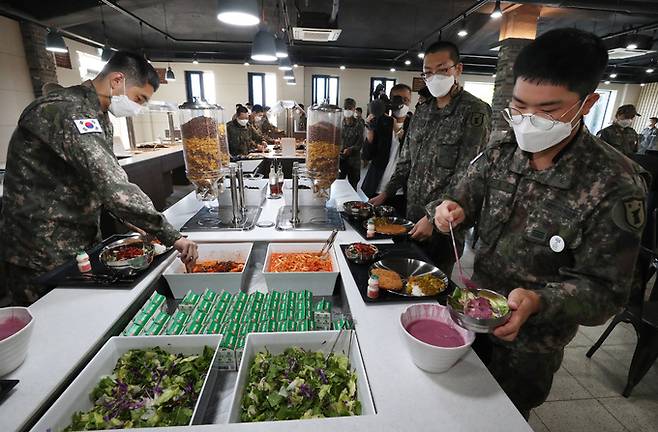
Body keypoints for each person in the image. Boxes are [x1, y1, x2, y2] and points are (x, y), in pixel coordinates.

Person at [433, 28, 647, 418]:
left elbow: (607, 292)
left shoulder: (615, 183)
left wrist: (538, 301)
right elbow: (466, 193)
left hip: (531, 345)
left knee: (505, 417)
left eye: (548, 111)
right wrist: (452, 208)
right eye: (518, 106)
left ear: (587, 103)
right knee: (454, 411)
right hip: (473, 312)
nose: (528, 121)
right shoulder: (502, 148)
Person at [0, 51, 198, 306]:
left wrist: (138, 222)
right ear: (117, 80)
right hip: (40, 247)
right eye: (139, 98)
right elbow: (113, 185)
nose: (138, 108)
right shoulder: (70, 111)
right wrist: (173, 235)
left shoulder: (98, 115)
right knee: (48, 323)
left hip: (74, 239)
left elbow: (96, 182)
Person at [369, 41, 492, 274]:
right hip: (411, 215)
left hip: (445, 222)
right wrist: (387, 192)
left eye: (443, 69)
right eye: (427, 72)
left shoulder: (475, 112)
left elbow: (469, 175)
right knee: (405, 276)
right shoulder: (422, 112)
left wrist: (431, 216)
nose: (434, 76)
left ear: (458, 69)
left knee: (434, 282)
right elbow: (406, 161)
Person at [338, 98, 365, 189]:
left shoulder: (359, 124)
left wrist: (351, 149)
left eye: (350, 108)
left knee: (353, 186)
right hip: (341, 160)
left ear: (354, 109)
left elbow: (360, 142)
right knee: (338, 184)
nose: (348, 110)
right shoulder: (339, 123)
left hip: (354, 161)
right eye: (346, 108)